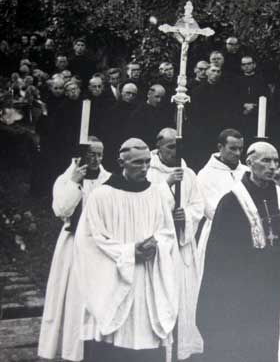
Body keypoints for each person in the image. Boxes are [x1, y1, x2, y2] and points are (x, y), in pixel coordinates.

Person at [197, 141, 280, 362]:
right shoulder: (231, 201)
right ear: (250, 162)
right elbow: (220, 255)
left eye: (276, 161)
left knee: (276, 341)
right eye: (266, 160)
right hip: (246, 289)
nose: (272, 166)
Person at [74, 138, 180, 362]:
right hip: (114, 280)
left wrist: (156, 244)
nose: (144, 169)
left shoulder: (156, 194)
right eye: (137, 163)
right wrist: (130, 252)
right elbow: (91, 240)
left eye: (147, 163)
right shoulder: (102, 196)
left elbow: (167, 232)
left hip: (147, 282)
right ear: (121, 162)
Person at [38, 137, 111, 361]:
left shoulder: (108, 180)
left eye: (100, 155)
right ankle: (72, 351)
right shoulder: (66, 178)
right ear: (81, 155)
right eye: (92, 154)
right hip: (74, 249)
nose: (96, 159)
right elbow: (61, 210)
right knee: (74, 300)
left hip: (101, 249)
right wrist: (75, 183)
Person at [146, 128, 204, 360]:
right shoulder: (148, 171)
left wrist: (186, 217)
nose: (174, 151)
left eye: (177, 146)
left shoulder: (188, 174)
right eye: (169, 146)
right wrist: (167, 184)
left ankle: (183, 350)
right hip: (159, 247)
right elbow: (145, 202)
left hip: (182, 246)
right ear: (158, 146)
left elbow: (198, 204)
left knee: (184, 297)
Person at [196, 128, 248, 280]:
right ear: (220, 147)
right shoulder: (205, 175)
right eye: (233, 148)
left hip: (248, 235)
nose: (238, 153)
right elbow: (211, 209)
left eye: (240, 149)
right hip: (219, 234)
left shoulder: (246, 171)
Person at [234, 56, 269, 144]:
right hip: (242, 114)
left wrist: (254, 106)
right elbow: (233, 97)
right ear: (241, 67)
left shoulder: (261, 80)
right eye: (244, 64)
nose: (246, 66)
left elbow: (266, 96)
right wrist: (243, 105)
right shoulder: (237, 81)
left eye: (249, 64)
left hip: (257, 115)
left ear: (254, 65)